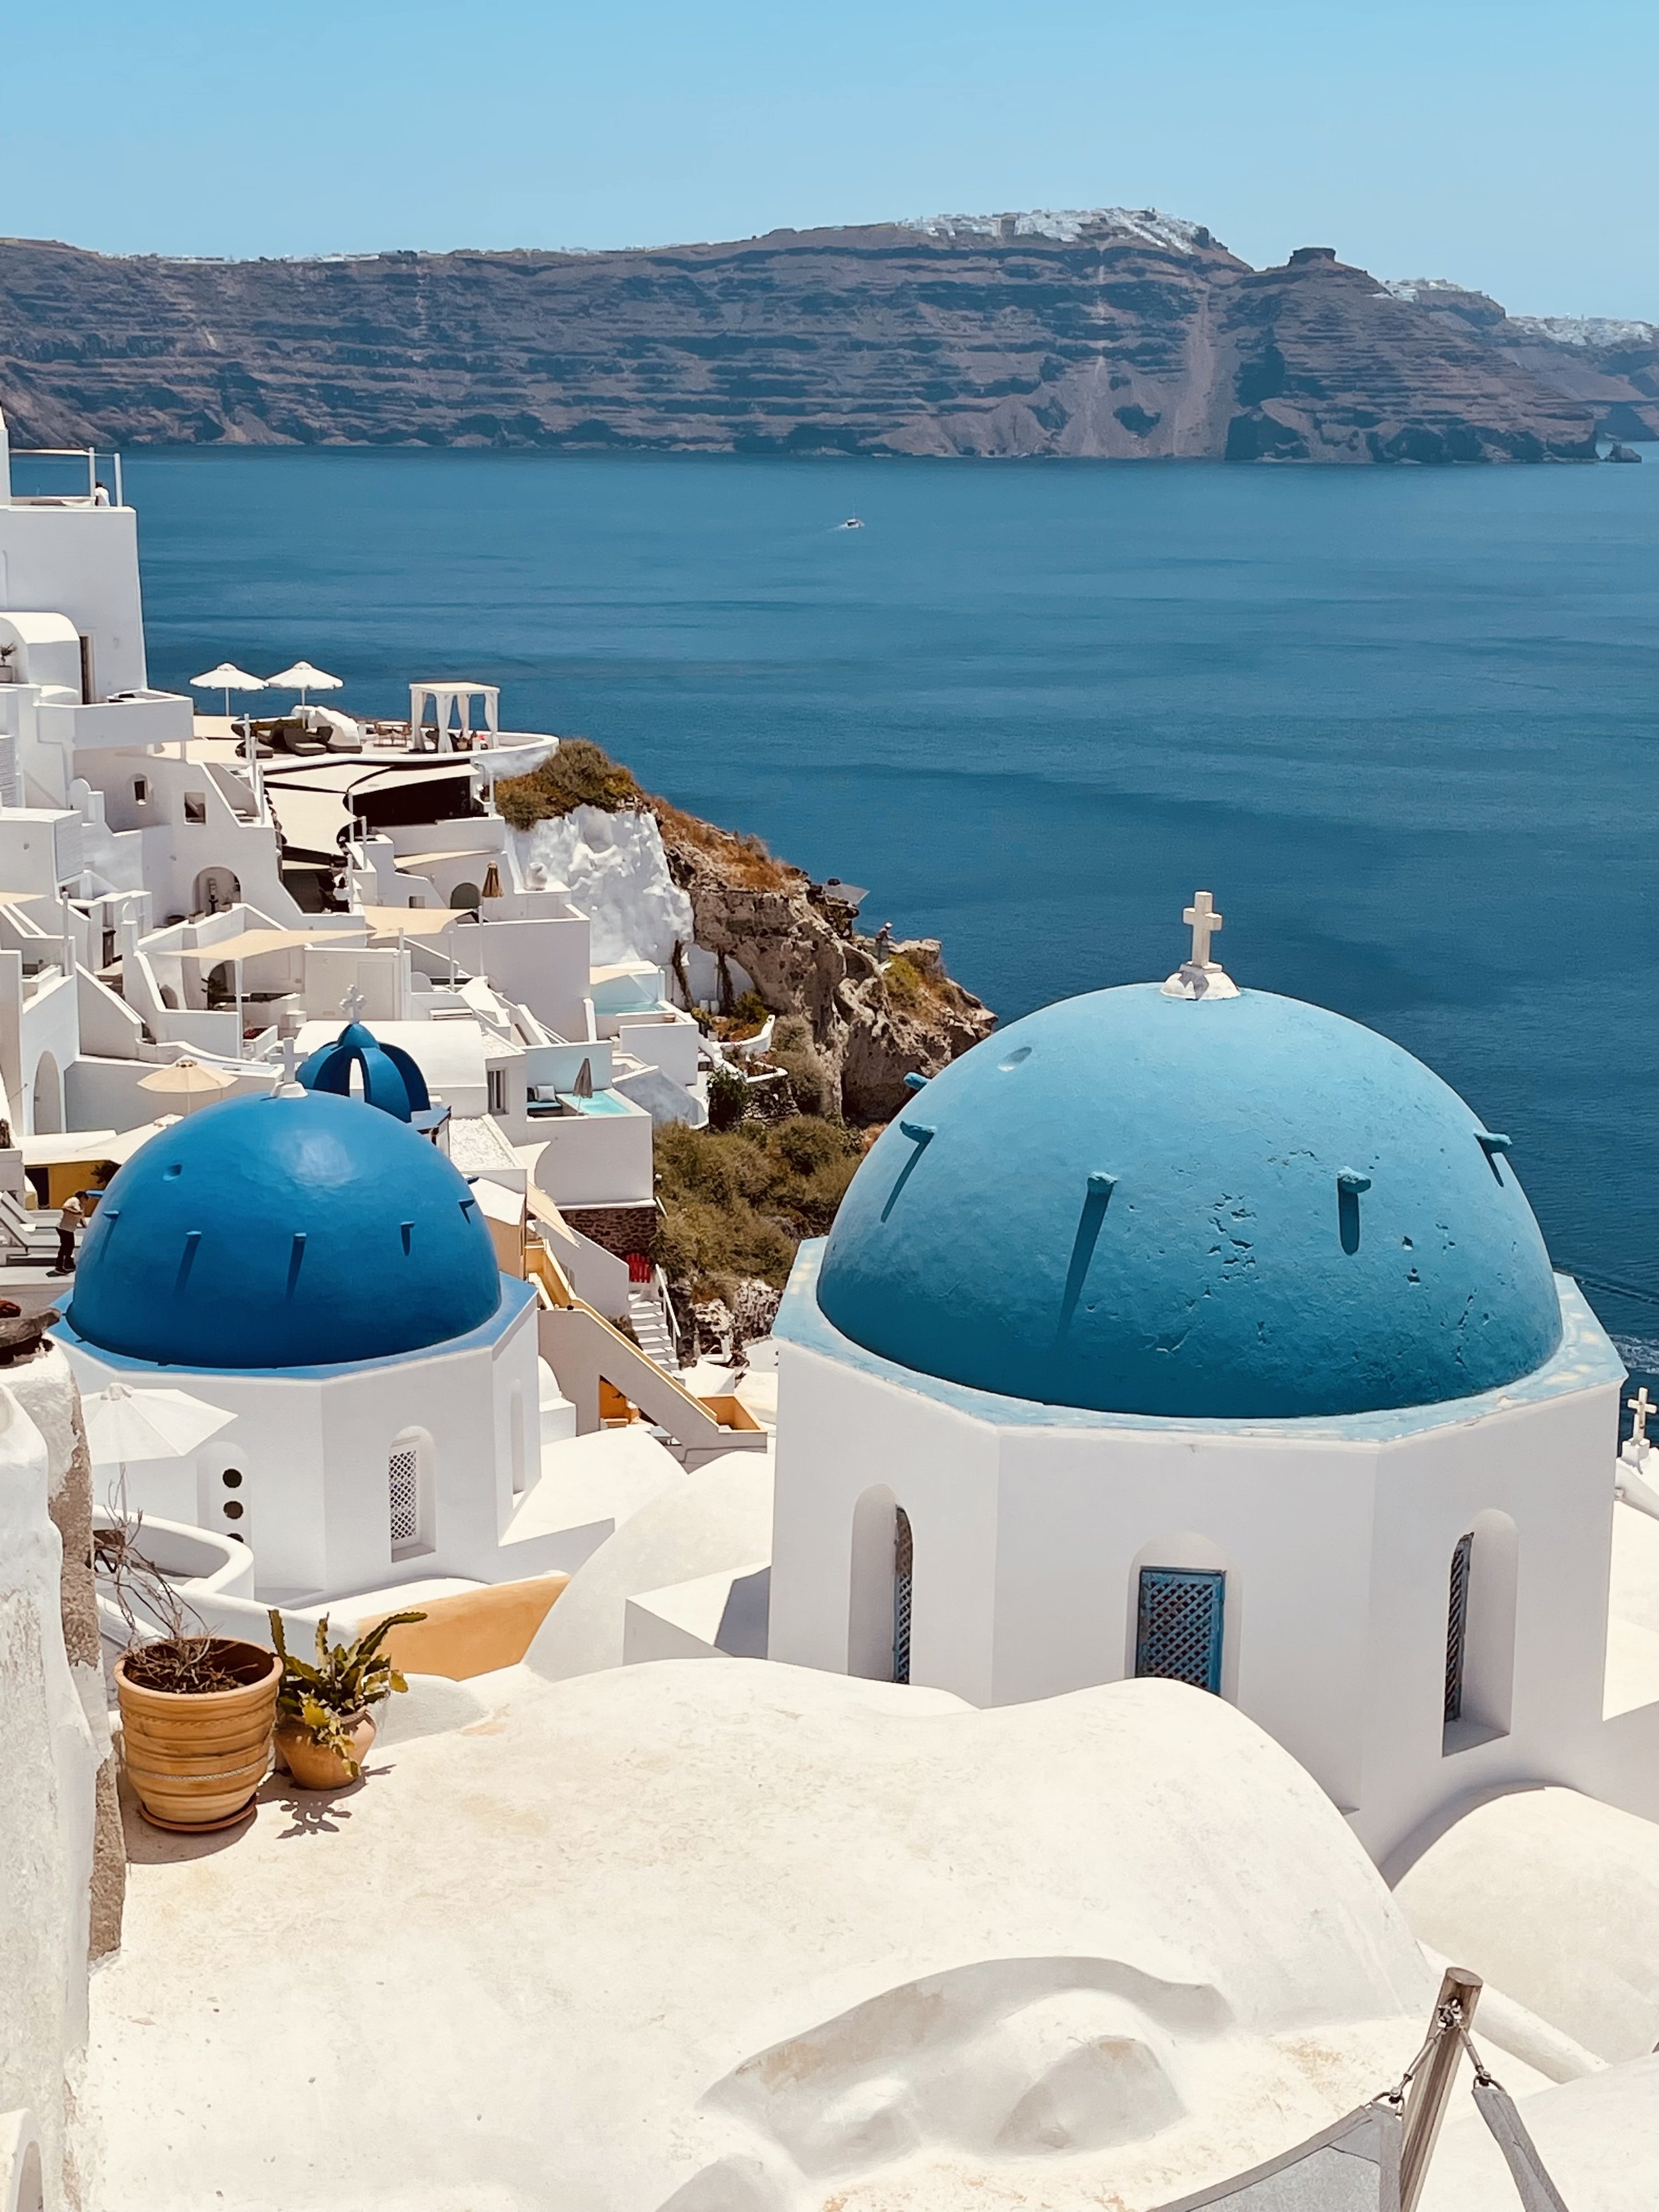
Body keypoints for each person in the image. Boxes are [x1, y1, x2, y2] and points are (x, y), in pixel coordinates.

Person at [52, 1192, 85, 1276]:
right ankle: (59, 1266)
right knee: (65, 1247)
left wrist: (87, 1227)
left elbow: (81, 1219)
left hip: (69, 1229)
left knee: (70, 1246)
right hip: (63, 1228)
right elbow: (65, 1207)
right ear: (82, 1197)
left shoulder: (80, 1206)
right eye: (85, 1199)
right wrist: (75, 1213)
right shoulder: (74, 1200)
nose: (85, 1201)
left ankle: (68, 1263)